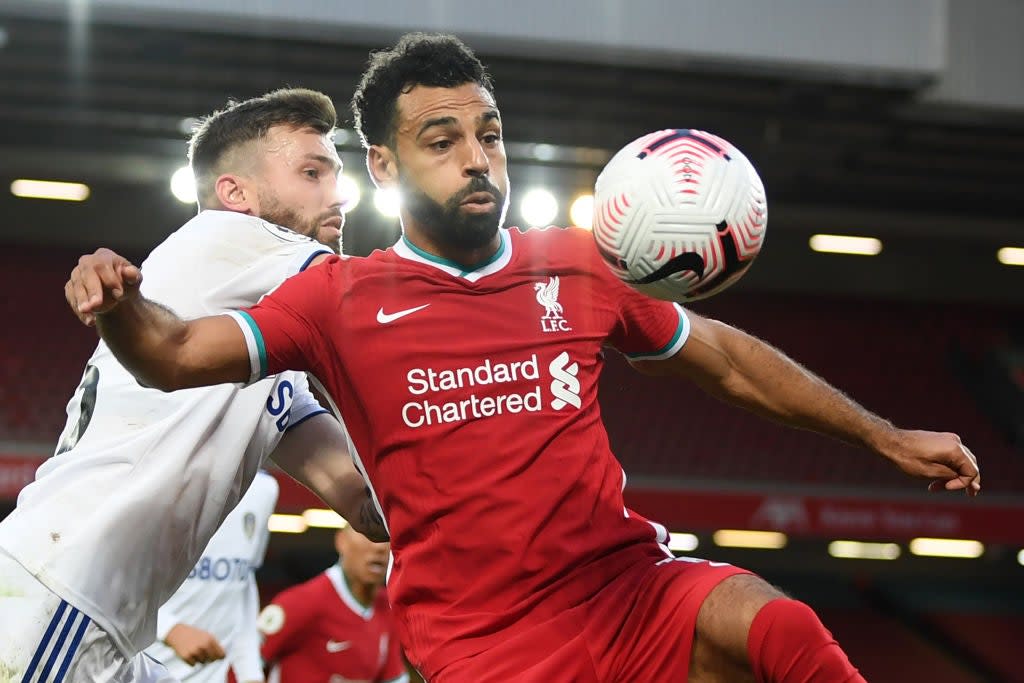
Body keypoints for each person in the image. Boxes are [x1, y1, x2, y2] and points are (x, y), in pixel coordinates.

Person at [65, 34, 981, 683]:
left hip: (628, 591)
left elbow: (728, 362)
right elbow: (177, 354)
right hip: (481, 644)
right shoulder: (339, 298)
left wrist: (885, 435)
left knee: (781, 625)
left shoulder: (581, 265)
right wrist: (121, 299)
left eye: (490, 135)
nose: (478, 160)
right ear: (382, 167)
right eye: (443, 140)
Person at [0, 87, 383, 683]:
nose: (336, 195)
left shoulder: (258, 353)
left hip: (101, 617)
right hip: (60, 591)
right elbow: (380, 302)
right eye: (311, 172)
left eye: (334, 175)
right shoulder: (230, 237)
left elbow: (361, 500)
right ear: (236, 195)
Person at [145, 470, 278, 683]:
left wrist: (250, 672)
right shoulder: (159, 476)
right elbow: (112, 579)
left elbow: (243, 580)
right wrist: (169, 628)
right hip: (141, 671)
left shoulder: (265, 489)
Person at [257, 525, 408, 683]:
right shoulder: (301, 603)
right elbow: (243, 660)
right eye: (368, 535)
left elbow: (393, 677)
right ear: (341, 541)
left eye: (386, 539)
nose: (379, 547)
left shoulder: (389, 607)